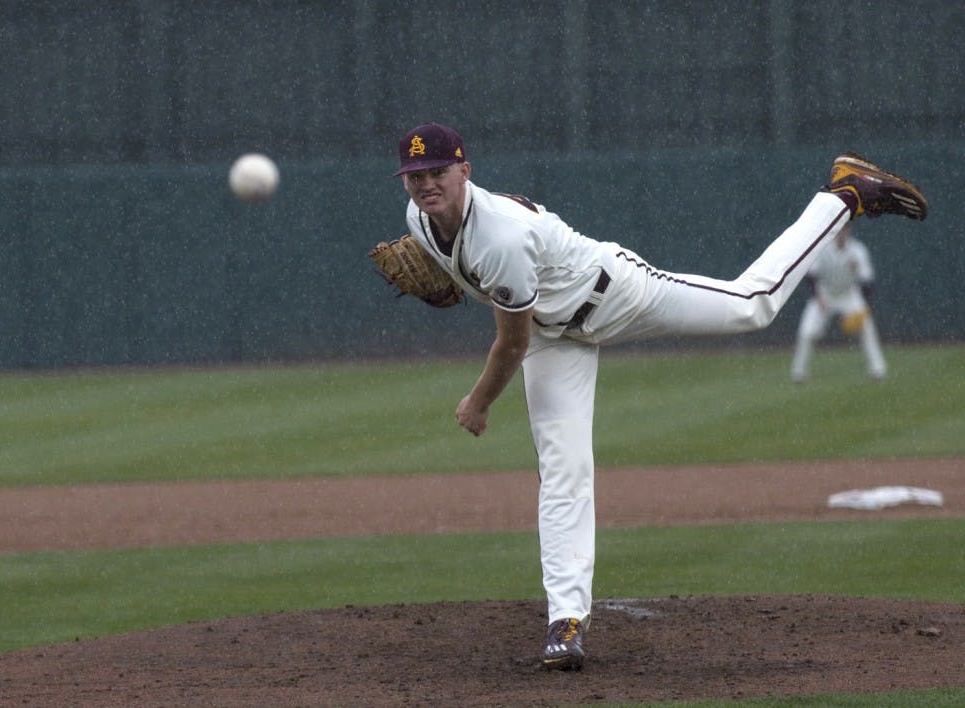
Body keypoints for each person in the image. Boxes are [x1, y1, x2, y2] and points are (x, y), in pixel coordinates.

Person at [391, 122, 928, 670]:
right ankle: (565, 621)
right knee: (563, 470)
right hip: (554, 337)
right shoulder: (418, 220)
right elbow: (494, 296)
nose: (426, 184)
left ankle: (843, 194)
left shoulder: (500, 235)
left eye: (437, 171)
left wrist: (479, 402)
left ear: (465, 170)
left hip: (613, 294)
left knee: (753, 304)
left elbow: (512, 340)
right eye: (414, 176)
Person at [790, 222, 887, 382]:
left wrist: (865, 307)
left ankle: (878, 369)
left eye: (845, 229)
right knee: (807, 332)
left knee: (867, 327)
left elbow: (867, 281)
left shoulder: (858, 250)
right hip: (825, 294)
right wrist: (818, 297)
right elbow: (811, 276)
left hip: (849, 295)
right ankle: (799, 373)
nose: (842, 232)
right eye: (840, 229)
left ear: (849, 231)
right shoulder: (822, 248)